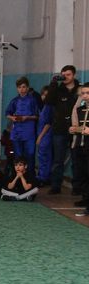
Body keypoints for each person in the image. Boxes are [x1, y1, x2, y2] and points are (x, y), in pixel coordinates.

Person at [46, 65, 80, 194]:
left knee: (76, 159)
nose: (65, 77)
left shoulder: (79, 89)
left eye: (68, 74)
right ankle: (56, 186)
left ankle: (77, 187)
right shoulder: (58, 89)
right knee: (58, 159)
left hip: (76, 129)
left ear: (74, 75)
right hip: (60, 129)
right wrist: (53, 84)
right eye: (63, 75)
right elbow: (48, 101)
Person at [5, 76, 39, 175]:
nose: (22, 89)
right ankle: (19, 176)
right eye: (19, 87)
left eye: (24, 87)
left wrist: (27, 117)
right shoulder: (14, 101)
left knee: (30, 154)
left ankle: (30, 176)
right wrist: (12, 118)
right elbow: (7, 113)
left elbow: (37, 116)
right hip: (17, 131)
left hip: (29, 131)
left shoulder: (32, 100)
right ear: (17, 89)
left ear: (27, 88)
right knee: (18, 155)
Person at [70, 82, 89, 213]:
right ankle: (86, 199)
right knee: (83, 174)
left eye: (88, 93)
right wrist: (74, 129)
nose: (85, 96)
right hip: (81, 146)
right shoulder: (80, 109)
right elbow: (78, 127)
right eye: (83, 93)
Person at [35, 86, 53, 186]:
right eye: (43, 94)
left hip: (45, 136)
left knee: (44, 158)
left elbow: (47, 124)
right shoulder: (44, 107)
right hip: (43, 135)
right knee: (43, 157)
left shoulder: (48, 107)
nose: (44, 97)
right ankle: (43, 176)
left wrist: (40, 137)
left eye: (46, 95)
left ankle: (44, 178)